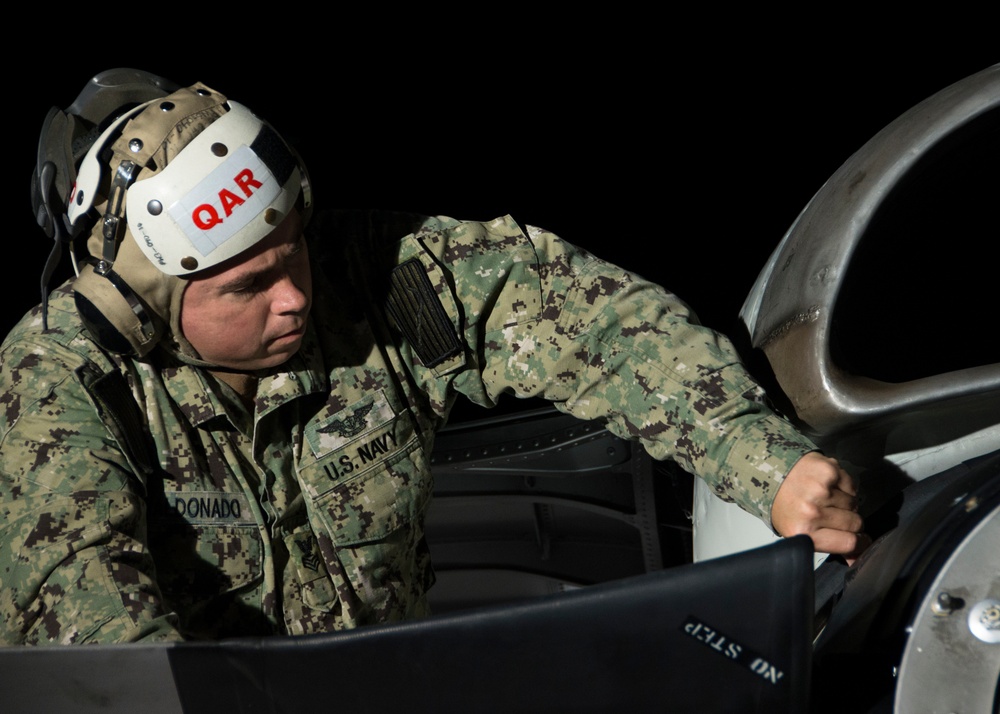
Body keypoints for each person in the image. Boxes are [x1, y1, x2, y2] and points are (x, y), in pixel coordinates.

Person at [0, 70, 865, 645]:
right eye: (248, 286)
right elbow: (86, 622)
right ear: (144, 303)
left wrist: (767, 463)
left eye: (294, 249)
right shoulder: (63, 378)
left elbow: (601, 325)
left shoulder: (383, 282)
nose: (296, 294)